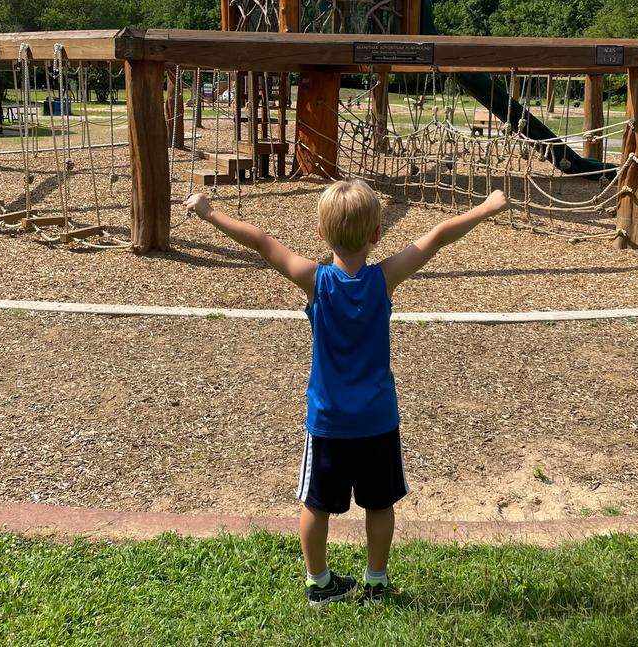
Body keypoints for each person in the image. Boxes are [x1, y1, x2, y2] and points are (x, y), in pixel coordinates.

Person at [185, 180, 507, 606]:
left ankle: (319, 582)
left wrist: (208, 212)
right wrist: (486, 207)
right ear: (377, 235)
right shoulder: (384, 278)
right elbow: (438, 236)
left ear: (321, 234)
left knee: (316, 505)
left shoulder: (315, 281)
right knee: (379, 503)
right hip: (377, 420)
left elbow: (262, 242)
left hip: (329, 422)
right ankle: (376, 580)